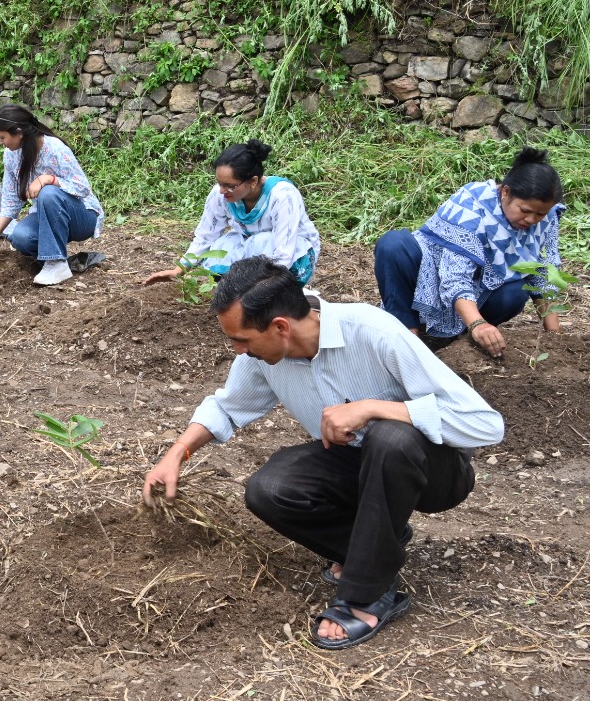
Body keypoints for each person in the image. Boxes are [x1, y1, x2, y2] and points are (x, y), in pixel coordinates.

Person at [143, 257, 503, 649]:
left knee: (390, 437)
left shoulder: (371, 330)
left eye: (242, 339)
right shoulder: (265, 356)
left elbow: (485, 424)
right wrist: (178, 452)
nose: (237, 349)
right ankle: (376, 547)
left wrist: (374, 407)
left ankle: (366, 594)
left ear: (280, 327)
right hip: (360, 470)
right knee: (271, 488)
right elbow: (229, 406)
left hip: (432, 473)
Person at [375, 148, 564, 358]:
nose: (532, 220)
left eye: (540, 214)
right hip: (433, 275)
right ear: (506, 192)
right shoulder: (472, 205)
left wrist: (554, 336)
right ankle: (406, 334)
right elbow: (454, 278)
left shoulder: (545, 219)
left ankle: (464, 338)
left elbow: (539, 274)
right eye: (525, 210)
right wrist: (478, 323)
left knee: (515, 292)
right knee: (393, 245)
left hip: (480, 291)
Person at [143, 139, 321, 290]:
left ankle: (270, 295)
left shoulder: (282, 196)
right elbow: (206, 236)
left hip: (294, 259)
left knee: (262, 241)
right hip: (254, 252)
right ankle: (238, 292)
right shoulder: (220, 195)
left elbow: (284, 254)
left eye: (230, 186)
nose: (222, 191)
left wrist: (263, 292)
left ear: (253, 181)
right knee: (222, 246)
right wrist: (179, 269)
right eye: (219, 183)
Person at [0, 104, 106, 287]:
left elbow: (82, 187)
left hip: (81, 216)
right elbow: (11, 199)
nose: (0, 142)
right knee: (20, 237)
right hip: (48, 218)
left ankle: (56, 263)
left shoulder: (55, 148)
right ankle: (54, 257)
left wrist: (49, 179)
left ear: (19, 132)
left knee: (48, 193)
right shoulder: (11, 155)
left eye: (2, 137)